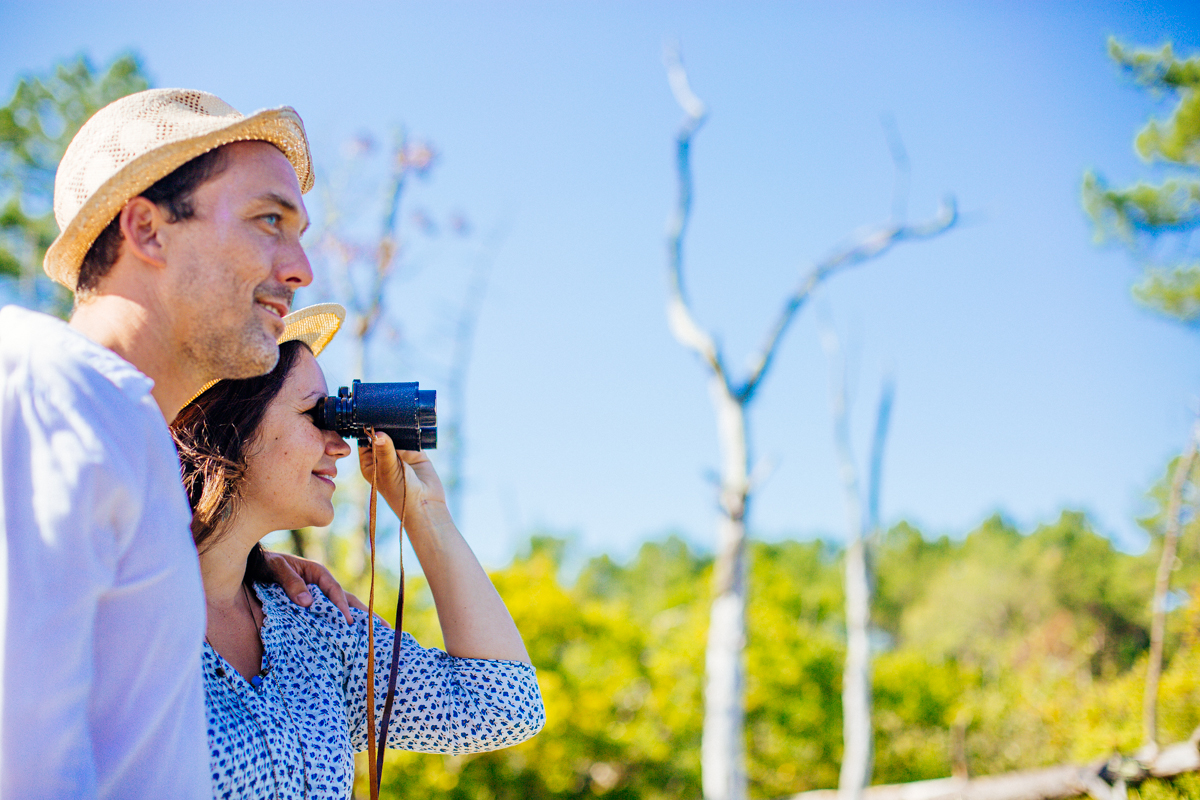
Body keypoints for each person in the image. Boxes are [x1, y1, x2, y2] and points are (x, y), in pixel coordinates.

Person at [0, 89, 358, 799]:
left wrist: (244, 556)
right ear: (148, 229)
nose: (300, 269)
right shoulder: (48, 393)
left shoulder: (121, 433)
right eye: (268, 221)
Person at [170, 303, 545, 799]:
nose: (341, 445)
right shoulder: (121, 609)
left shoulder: (312, 622)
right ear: (233, 422)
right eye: (315, 414)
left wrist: (425, 513)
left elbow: (502, 707)